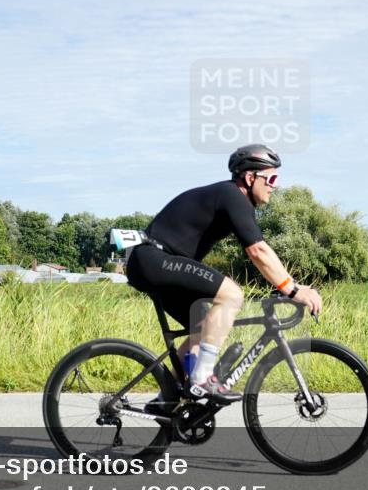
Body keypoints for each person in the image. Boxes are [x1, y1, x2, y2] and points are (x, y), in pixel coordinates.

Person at [124, 144, 322, 405]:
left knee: (204, 327)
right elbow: (258, 251)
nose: (275, 185)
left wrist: (286, 284)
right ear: (250, 178)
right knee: (231, 294)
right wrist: (294, 290)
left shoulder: (234, 201)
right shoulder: (232, 196)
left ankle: (166, 402)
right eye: (271, 178)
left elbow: (259, 252)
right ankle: (203, 379)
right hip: (153, 258)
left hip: (155, 261)